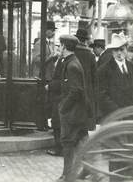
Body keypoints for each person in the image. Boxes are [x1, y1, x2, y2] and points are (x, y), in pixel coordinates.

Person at [57, 35, 89, 182]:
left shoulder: (71, 65)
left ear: (64, 46)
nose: (59, 47)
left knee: (68, 143)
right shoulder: (72, 62)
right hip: (79, 111)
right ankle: (87, 171)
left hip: (72, 113)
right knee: (82, 141)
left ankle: (67, 175)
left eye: (60, 45)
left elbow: (76, 90)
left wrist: (63, 107)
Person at [98, 33, 133, 120]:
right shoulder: (104, 70)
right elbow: (102, 95)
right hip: (115, 117)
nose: (119, 53)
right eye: (116, 50)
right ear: (112, 51)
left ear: (126, 49)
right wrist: (118, 112)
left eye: (121, 49)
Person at [74, 28, 97, 131]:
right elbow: (94, 76)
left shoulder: (72, 53)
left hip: (74, 87)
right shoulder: (90, 55)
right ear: (85, 41)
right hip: (87, 89)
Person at [46, 52, 64, 157]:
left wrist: (50, 86)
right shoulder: (59, 60)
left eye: (60, 46)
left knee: (57, 123)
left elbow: (60, 81)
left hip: (59, 97)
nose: (58, 49)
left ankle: (59, 148)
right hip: (58, 97)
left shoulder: (63, 62)